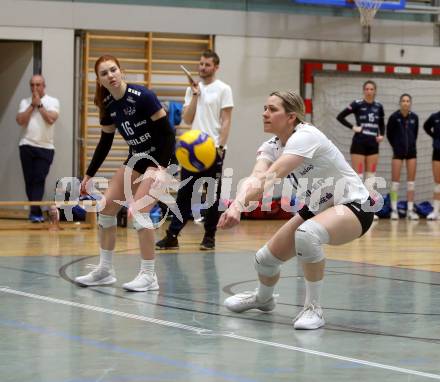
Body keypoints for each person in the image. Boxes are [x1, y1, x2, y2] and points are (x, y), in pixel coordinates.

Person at [219, 90, 374, 330]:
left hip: (354, 205)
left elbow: (272, 176)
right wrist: (237, 203)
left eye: (272, 109)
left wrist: (239, 206)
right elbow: (256, 176)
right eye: (264, 108)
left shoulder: (305, 136)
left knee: (307, 234)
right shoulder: (271, 146)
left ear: (291, 117)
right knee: (265, 261)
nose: (265, 114)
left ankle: (314, 308)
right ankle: (263, 299)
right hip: (319, 206)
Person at [75, 55, 175, 291]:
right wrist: (89, 174)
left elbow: (169, 135)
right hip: (137, 158)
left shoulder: (144, 97)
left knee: (139, 212)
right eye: (104, 73)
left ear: (121, 72)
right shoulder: (108, 105)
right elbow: (105, 141)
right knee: (106, 209)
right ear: (99, 80)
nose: (110, 75)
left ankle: (149, 276)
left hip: (162, 158)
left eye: (113, 70)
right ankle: (105, 271)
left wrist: (161, 168)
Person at [156, 50, 233, 250]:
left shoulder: (224, 89)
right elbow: (188, 119)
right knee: (184, 193)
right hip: (192, 150)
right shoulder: (192, 89)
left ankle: (209, 237)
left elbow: (226, 120)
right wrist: (196, 95)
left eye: (207, 64)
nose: (202, 68)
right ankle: (172, 235)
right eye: (200, 64)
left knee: (212, 195)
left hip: (213, 148)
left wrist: (221, 147)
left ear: (216, 67)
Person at [336, 80, 384, 220]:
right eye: (367, 89)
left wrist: (382, 135)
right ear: (364, 91)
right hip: (358, 144)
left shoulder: (379, 106)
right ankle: (358, 207)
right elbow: (340, 116)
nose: (369, 91)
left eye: (371, 89)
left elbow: (381, 123)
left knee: (371, 176)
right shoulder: (357, 104)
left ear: (375, 91)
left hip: (373, 145)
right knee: (358, 176)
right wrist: (353, 127)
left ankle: (370, 209)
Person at [16, 75, 60, 222]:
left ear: (44, 86)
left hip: (45, 147)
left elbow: (51, 119)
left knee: (38, 179)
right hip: (26, 145)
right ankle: (35, 212)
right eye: (32, 85)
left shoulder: (52, 101)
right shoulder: (25, 102)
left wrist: (39, 105)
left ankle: (35, 212)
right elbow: (20, 121)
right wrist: (32, 105)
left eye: (38, 85)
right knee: (29, 180)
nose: (35, 88)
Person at [386, 94, 419, 220]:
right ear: (400, 103)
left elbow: (414, 134)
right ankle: (394, 210)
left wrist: (410, 146)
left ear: (410, 103)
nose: (405, 103)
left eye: (408, 101)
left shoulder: (414, 118)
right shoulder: (394, 117)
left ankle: (410, 211)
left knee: (411, 183)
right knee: (395, 183)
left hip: (412, 153)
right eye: (403, 101)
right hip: (398, 153)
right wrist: (396, 146)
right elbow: (389, 134)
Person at [423, 109, 440, 220]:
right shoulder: (435, 116)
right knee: (438, 182)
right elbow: (426, 126)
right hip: (438, 151)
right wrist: (435, 136)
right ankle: (436, 212)